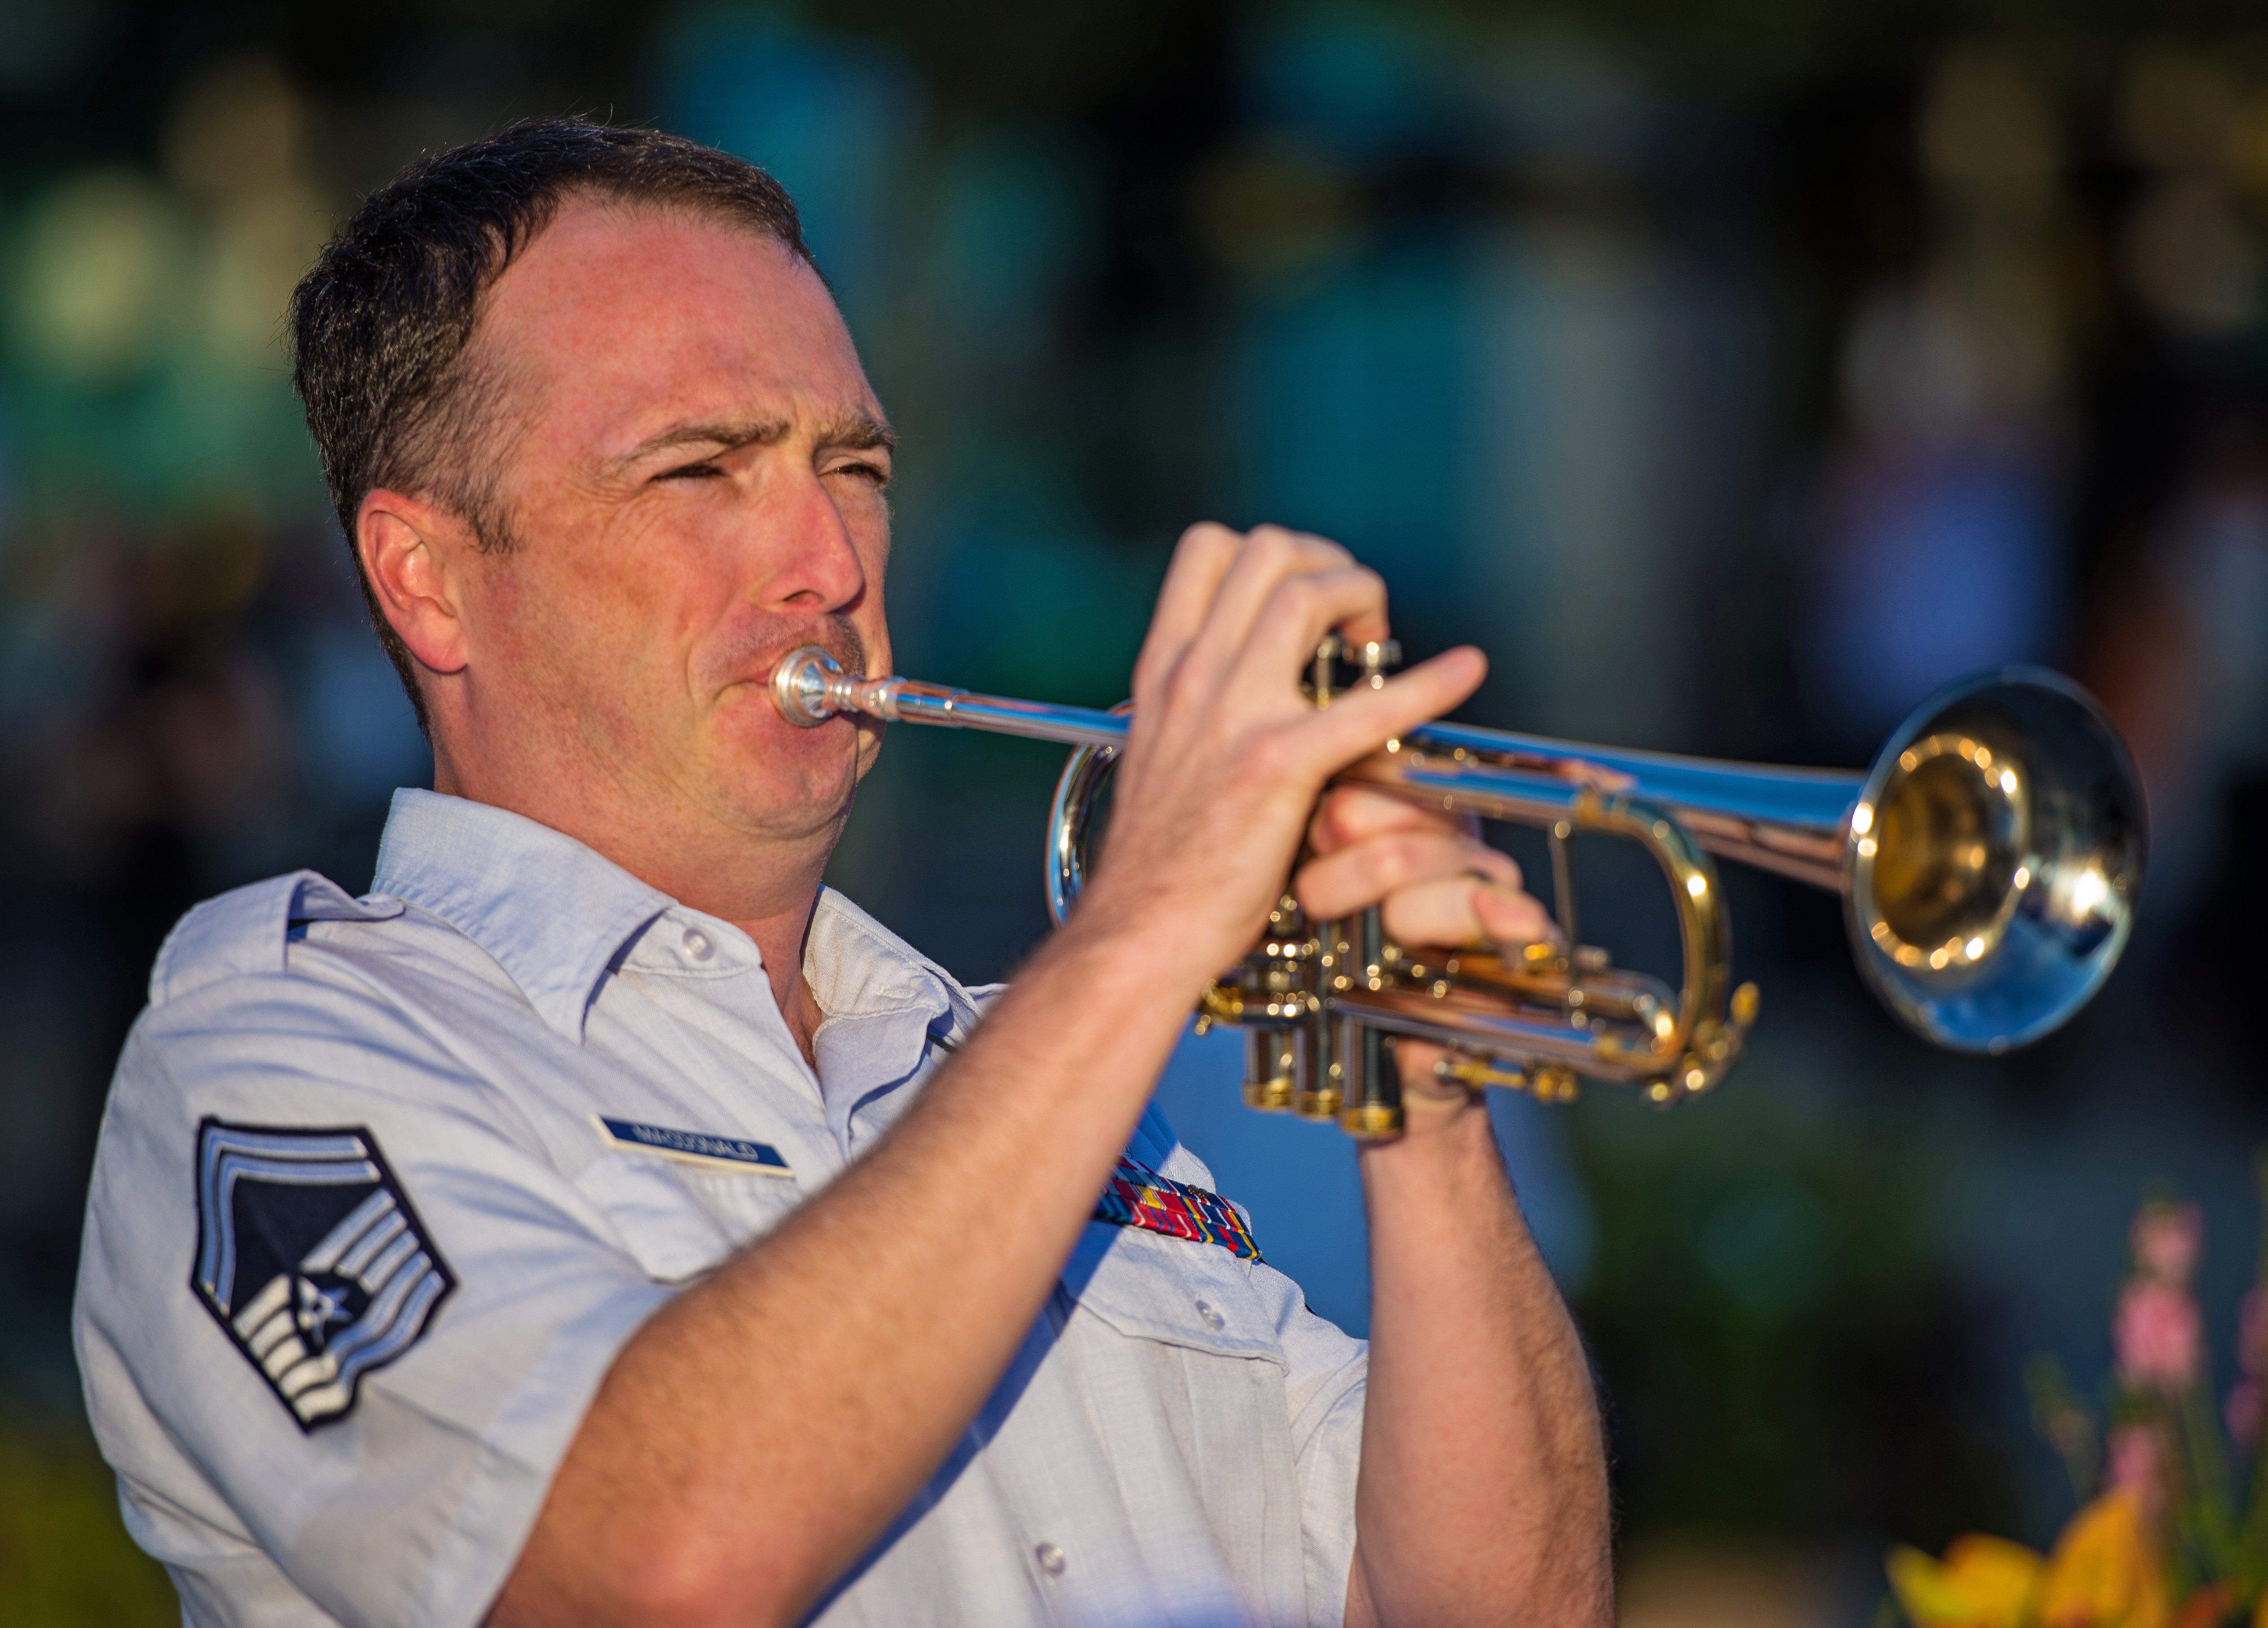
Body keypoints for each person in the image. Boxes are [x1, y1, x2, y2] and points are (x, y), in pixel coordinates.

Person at [72, 119, 1611, 1628]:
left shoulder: (1021, 1073)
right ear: (430, 581)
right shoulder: (277, 1052)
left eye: (853, 465)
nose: (829, 560)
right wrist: (1149, 921)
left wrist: (1427, 1096)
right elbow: (647, 1565)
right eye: (700, 471)